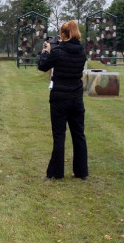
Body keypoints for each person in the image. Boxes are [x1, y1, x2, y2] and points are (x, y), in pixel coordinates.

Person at [37, 20, 88, 179]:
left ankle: (56, 173)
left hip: (60, 98)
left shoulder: (58, 52)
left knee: (59, 136)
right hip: (76, 98)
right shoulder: (82, 52)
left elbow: (42, 66)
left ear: (64, 35)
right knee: (79, 135)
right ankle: (81, 172)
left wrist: (46, 52)